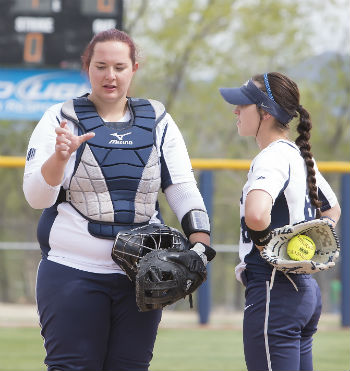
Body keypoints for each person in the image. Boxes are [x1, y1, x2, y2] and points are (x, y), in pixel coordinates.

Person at [23, 28, 215, 371]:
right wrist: (59, 159)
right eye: (100, 66)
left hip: (142, 274)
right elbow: (37, 198)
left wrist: (200, 245)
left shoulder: (159, 121)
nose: (110, 75)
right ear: (87, 67)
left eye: (119, 66)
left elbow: (184, 189)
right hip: (72, 269)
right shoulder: (60, 118)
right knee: (72, 367)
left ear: (134, 69)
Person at [219, 72, 341, 371]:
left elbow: (257, 214)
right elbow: (332, 210)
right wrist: (307, 250)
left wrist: (265, 246)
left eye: (243, 104)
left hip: (274, 287)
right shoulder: (297, 155)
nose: (236, 110)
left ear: (265, 111)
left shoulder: (271, 157)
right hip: (304, 292)